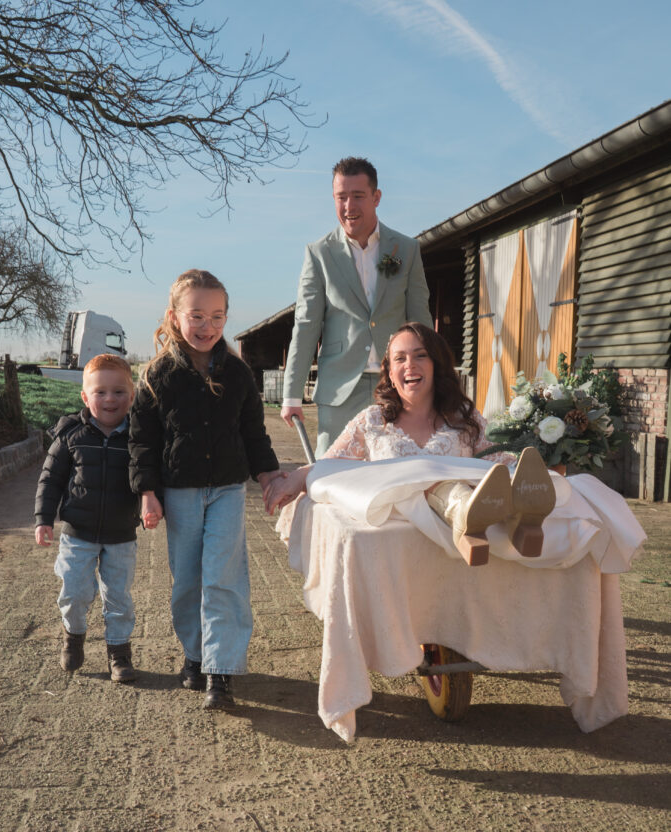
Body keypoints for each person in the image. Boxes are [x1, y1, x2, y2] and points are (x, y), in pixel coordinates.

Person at [265, 322, 556, 565]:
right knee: (445, 490)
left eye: (420, 355)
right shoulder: (372, 420)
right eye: (400, 358)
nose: (410, 365)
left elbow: (497, 461)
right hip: (397, 532)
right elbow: (332, 464)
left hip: (452, 529)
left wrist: (522, 472)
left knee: (500, 479)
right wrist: (300, 475)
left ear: (436, 364)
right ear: (390, 372)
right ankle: (468, 516)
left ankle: (523, 519)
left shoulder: (465, 418)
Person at [129, 269, 283, 709]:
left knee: (224, 577)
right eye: (196, 315)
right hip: (180, 493)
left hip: (229, 491)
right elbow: (142, 441)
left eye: (217, 316)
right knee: (188, 580)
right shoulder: (157, 375)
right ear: (175, 317)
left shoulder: (237, 373)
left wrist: (269, 474)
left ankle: (221, 669)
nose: (207, 326)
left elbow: (254, 431)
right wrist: (147, 491)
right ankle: (195, 655)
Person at [281, 156, 433, 456]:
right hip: (339, 389)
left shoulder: (406, 249)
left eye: (358, 196)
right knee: (334, 476)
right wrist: (291, 394)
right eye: (341, 197)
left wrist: (434, 380)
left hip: (397, 385)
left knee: (395, 472)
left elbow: (420, 322)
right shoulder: (319, 254)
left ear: (376, 198)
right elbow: (306, 326)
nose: (349, 206)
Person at [34, 353, 141, 682]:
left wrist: (156, 503)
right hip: (77, 533)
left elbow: (150, 477)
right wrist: (43, 519)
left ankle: (119, 653)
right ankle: (73, 636)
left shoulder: (138, 439)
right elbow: (50, 480)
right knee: (75, 590)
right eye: (100, 392)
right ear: (85, 396)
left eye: (119, 391)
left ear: (132, 395)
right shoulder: (70, 435)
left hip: (122, 534)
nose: (110, 399)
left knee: (118, 596)